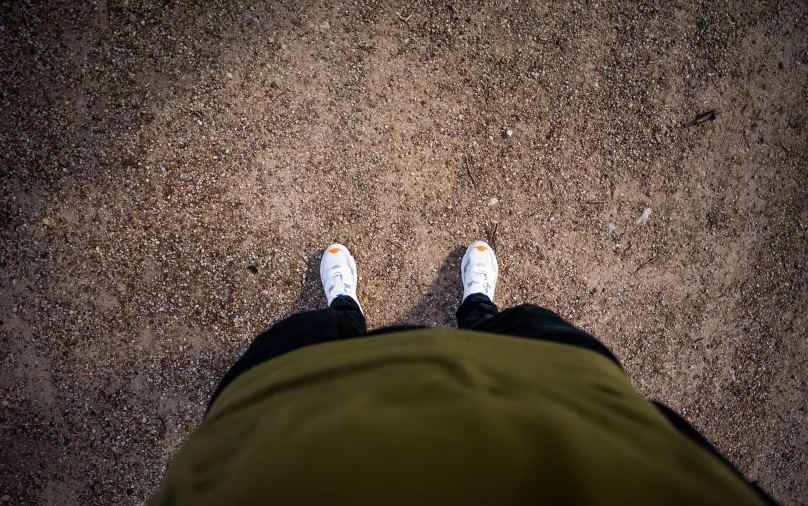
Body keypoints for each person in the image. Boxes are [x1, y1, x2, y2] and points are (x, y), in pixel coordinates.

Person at [150, 242, 775, 505]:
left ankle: (345, 314)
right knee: (528, 333)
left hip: (279, 442)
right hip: (570, 416)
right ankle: (477, 310)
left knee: (301, 349)